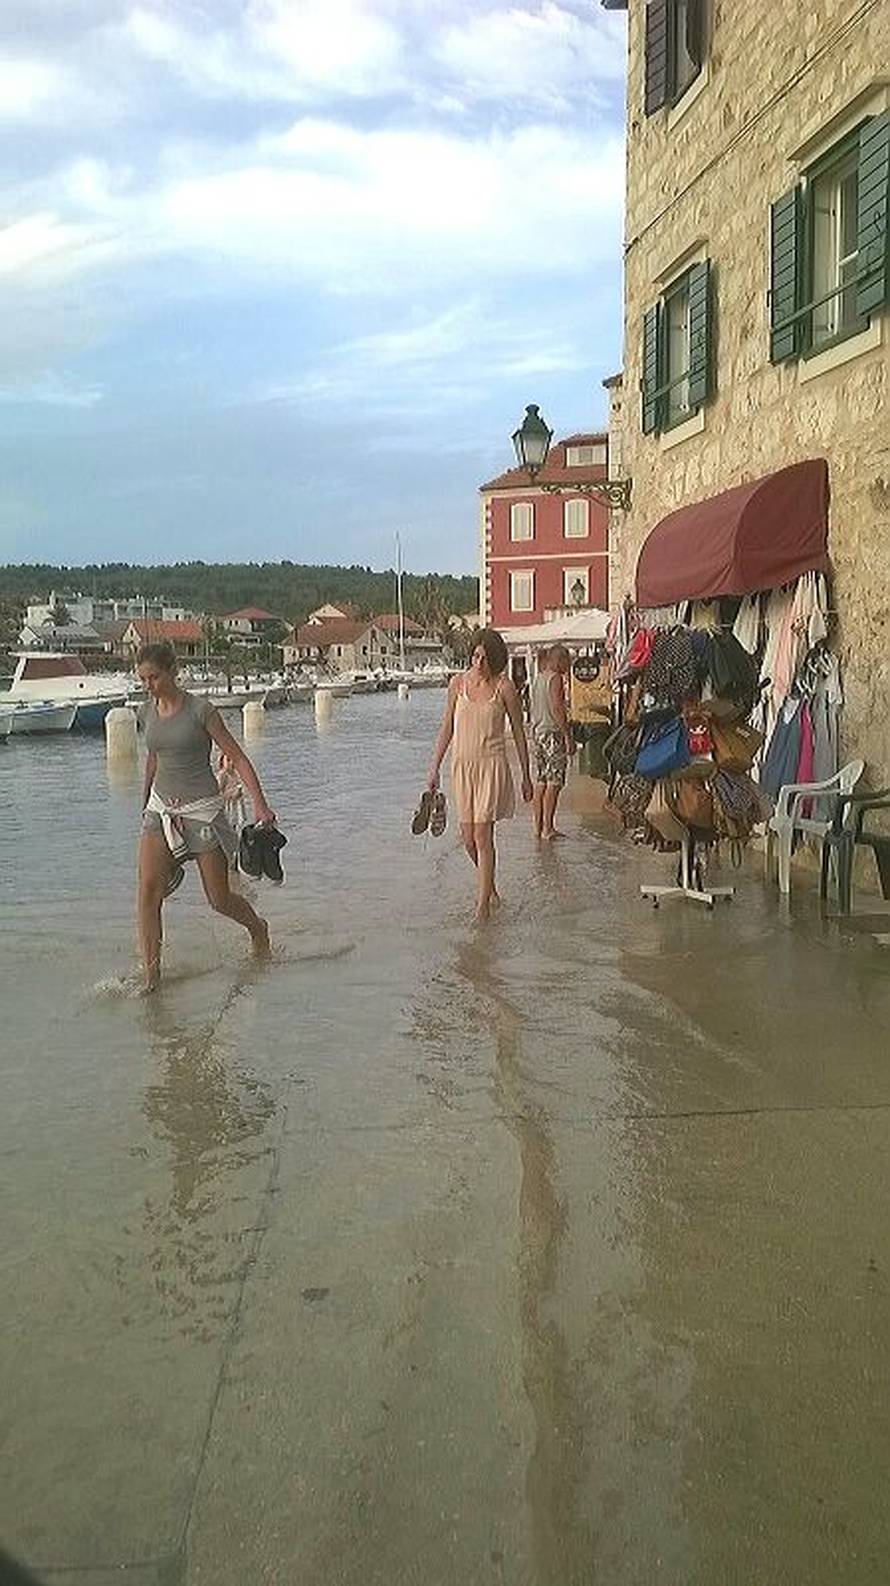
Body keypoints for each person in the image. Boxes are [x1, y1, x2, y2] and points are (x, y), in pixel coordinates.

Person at [136, 641, 276, 992]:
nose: (148, 685)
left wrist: (260, 804)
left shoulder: (201, 711)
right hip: (161, 809)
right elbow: (154, 755)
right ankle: (152, 978)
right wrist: (144, 798)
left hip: (202, 811)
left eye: (153, 677)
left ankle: (257, 927)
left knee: (219, 899)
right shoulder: (146, 711)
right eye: (142, 679)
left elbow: (238, 758)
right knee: (148, 892)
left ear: (172, 671)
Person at [426, 628, 532, 921]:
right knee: (467, 838)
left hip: (491, 766)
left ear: (496, 660)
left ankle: (481, 907)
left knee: (483, 836)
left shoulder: (505, 688)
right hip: (462, 767)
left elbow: (520, 735)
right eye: (475, 655)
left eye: (485, 658)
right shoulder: (457, 684)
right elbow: (446, 727)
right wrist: (434, 767)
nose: (479, 663)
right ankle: (491, 890)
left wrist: (526, 775)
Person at [529, 645, 574, 840]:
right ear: (559, 660)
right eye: (567, 662)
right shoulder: (555, 679)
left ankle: (538, 828)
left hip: (538, 733)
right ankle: (548, 827)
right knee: (554, 782)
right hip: (552, 734)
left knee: (541, 781)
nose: (569, 666)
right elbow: (557, 708)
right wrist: (567, 735)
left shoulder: (539, 679)